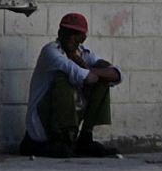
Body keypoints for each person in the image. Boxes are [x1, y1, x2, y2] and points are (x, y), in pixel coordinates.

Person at [20, 12, 122, 158]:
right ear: (60, 32)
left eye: (75, 34)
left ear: (83, 37)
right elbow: (79, 74)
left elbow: (116, 74)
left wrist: (92, 69)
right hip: (42, 125)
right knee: (64, 78)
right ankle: (61, 138)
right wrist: (89, 71)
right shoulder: (51, 51)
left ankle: (85, 137)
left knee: (102, 76)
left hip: (72, 114)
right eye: (66, 32)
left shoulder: (84, 53)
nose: (70, 37)